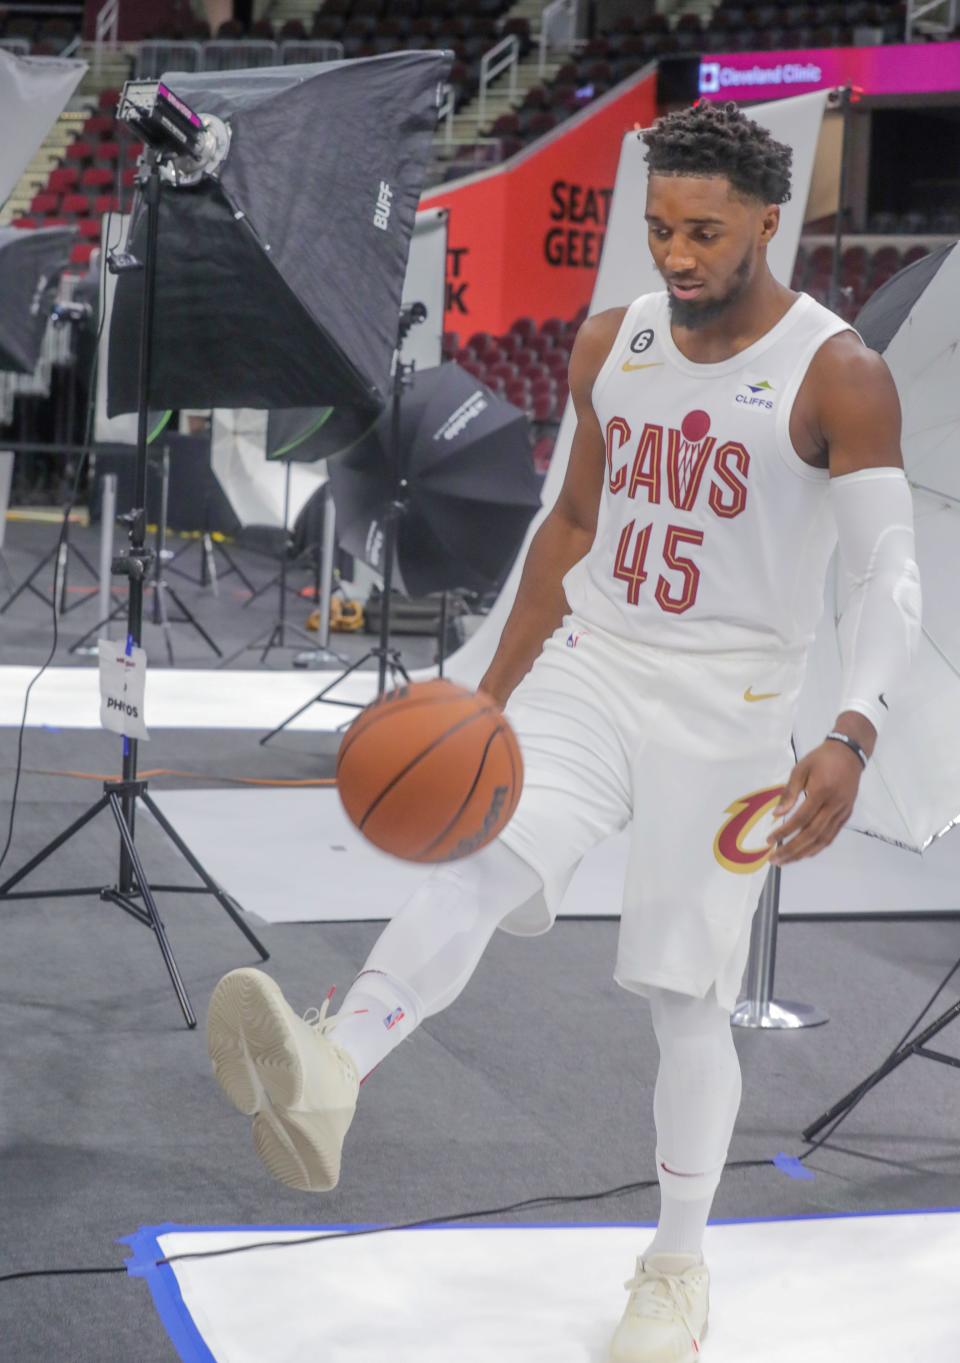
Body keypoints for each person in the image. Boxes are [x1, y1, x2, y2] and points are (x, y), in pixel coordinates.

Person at [206, 101, 921, 1361]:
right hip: (597, 664)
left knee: (685, 1002)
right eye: (660, 231)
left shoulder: (837, 370)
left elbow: (887, 578)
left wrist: (853, 732)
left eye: (706, 232)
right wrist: (485, 684)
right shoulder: (613, 342)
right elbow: (574, 530)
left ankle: (677, 1267)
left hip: (741, 707)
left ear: (770, 221)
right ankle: (334, 1070)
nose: (680, 256)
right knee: (477, 855)